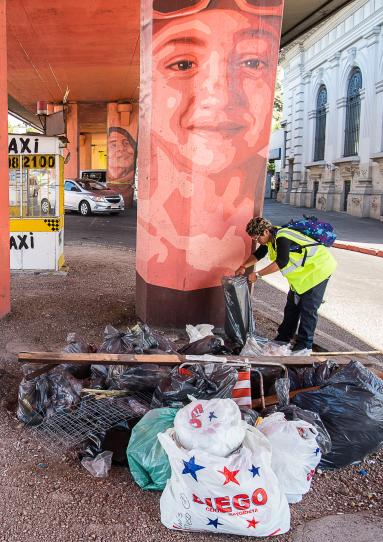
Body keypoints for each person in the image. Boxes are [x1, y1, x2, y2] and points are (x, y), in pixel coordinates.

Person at [138, 0, 283, 292]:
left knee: (303, 312)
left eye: (252, 62)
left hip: (313, 283)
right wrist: (249, 268)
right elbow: (268, 254)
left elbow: (279, 260)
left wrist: (252, 271)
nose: (219, 97)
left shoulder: (284, 240)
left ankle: (299, 337)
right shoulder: (274, 238)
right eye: (183, 64)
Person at [235, 216, 337, 354]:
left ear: (265, 232)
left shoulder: (282, 237)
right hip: (302, 277)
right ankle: (283, 338)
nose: (257, 241)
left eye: (257, 238)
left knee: (308, 309)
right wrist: (243, 266)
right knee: (292, 307)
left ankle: (304, 346)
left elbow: (281, 262)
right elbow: (259, 254)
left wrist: (257, 275)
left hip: (318, 270)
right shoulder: (272, 239)